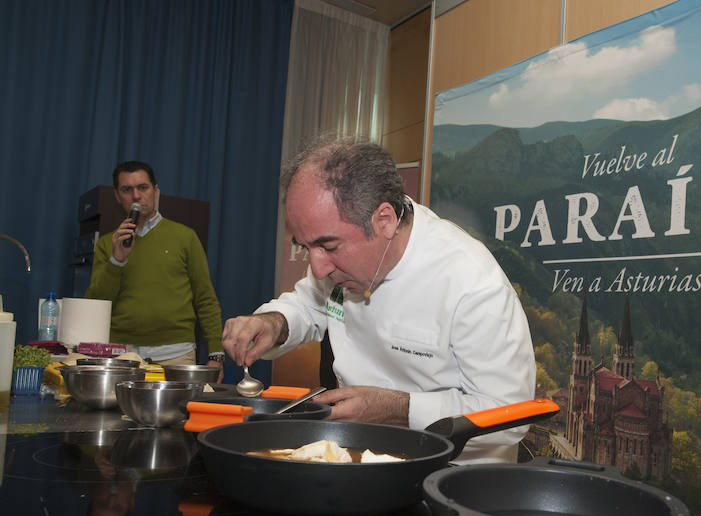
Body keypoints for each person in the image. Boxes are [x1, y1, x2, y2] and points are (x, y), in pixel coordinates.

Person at [222, 139, 536, 463]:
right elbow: (310, 303)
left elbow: (509, 415)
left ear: (384, 220)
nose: (317, 267)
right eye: (305, 246)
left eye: (329, 246)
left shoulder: (472, 284)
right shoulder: (339, 265)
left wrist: (398, 410)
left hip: (449, 475)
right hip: (360, 456)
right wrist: (275, 322)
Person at [85, 161, 225, 379]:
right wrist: (117, 260)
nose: (136, 196)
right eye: (127, 190)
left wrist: (216, 354)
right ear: (117, 196)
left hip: (176, 355)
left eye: (143, 187)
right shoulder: (107, 244)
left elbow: (205, 297)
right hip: (121, 356)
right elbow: (96, 306)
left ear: (156, 191)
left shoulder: (184, 237)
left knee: (177, 413)